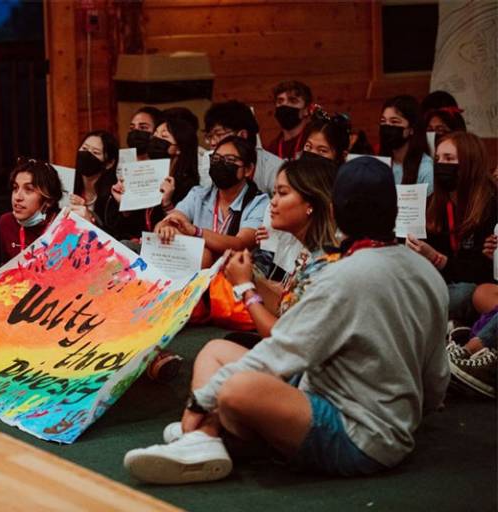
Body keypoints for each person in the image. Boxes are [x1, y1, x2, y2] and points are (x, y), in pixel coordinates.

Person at [123, 156, 450, 483]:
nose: (274, 202)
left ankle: (202, 433)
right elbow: (436, 380)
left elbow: (282, 350)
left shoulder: (344, 275)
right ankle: (204, 440)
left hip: (358, 434)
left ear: (331, 209)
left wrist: (199, 403)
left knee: (235, 388)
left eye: (282, 193)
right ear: (395, 210)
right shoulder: (426, 271)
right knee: (215, 353)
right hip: (370, 415)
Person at [229, 157, 339, 341]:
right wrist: (250, 276)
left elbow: (286, 339)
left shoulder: (325, 262)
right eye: (274, 193)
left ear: (310, 204)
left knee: (216, 350)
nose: (273, 202)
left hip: (306, 362)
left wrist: (245, 287)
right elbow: (285, 308)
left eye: (283, 193)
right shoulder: (308, 249)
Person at [406, 132, 497, 321]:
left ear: (469, 163)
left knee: (465, 292)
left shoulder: (491, 204)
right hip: (439, 284)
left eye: (449, 158)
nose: (441, 164)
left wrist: (437, 259)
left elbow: (481, 270)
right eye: (437, 158)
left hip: (477, 288)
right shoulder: (432, 203)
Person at [155, 136, 268, 267]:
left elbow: (240, 244)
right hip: (195, 273)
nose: (220, 164)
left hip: (234, 276)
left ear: (248, 170)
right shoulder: (198, 194)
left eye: (230, 160)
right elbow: (171, 220)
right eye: (216, 159)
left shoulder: (259, 202)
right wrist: (165, 227)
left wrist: (196, 232)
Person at [109, 115, 201, 242]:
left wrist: (167, 204)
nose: (156, 140)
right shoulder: (145, 175)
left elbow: (183, 230)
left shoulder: (189, 186)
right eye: (155, 135)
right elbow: (127, 227)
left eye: (163, 137)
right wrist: (125, 204)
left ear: (179, 148)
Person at [0, 158, 63, 263]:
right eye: (15, 188)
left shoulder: (65, 225)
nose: (17, 197)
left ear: (49, 200)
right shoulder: (6, 222)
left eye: (29, 189)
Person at [379, 95, 434, 195]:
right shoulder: (380, 162)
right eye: (383, 121)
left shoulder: (425, 169)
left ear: (411, 129)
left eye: (394, 121)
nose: (387, 126)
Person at [69, 130, 119, 229]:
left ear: (109, 163)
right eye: (84, 148)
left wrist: (91, 219)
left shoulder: (114, 196)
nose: (87, 154)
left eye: (95, 152)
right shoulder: (69, 186)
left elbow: (115, 236)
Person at [264, 80, 312, 160]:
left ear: (306, 110)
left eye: (293, 101)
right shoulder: (272, 149)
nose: (285, 105)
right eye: (280, 101)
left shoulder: (313, 141)